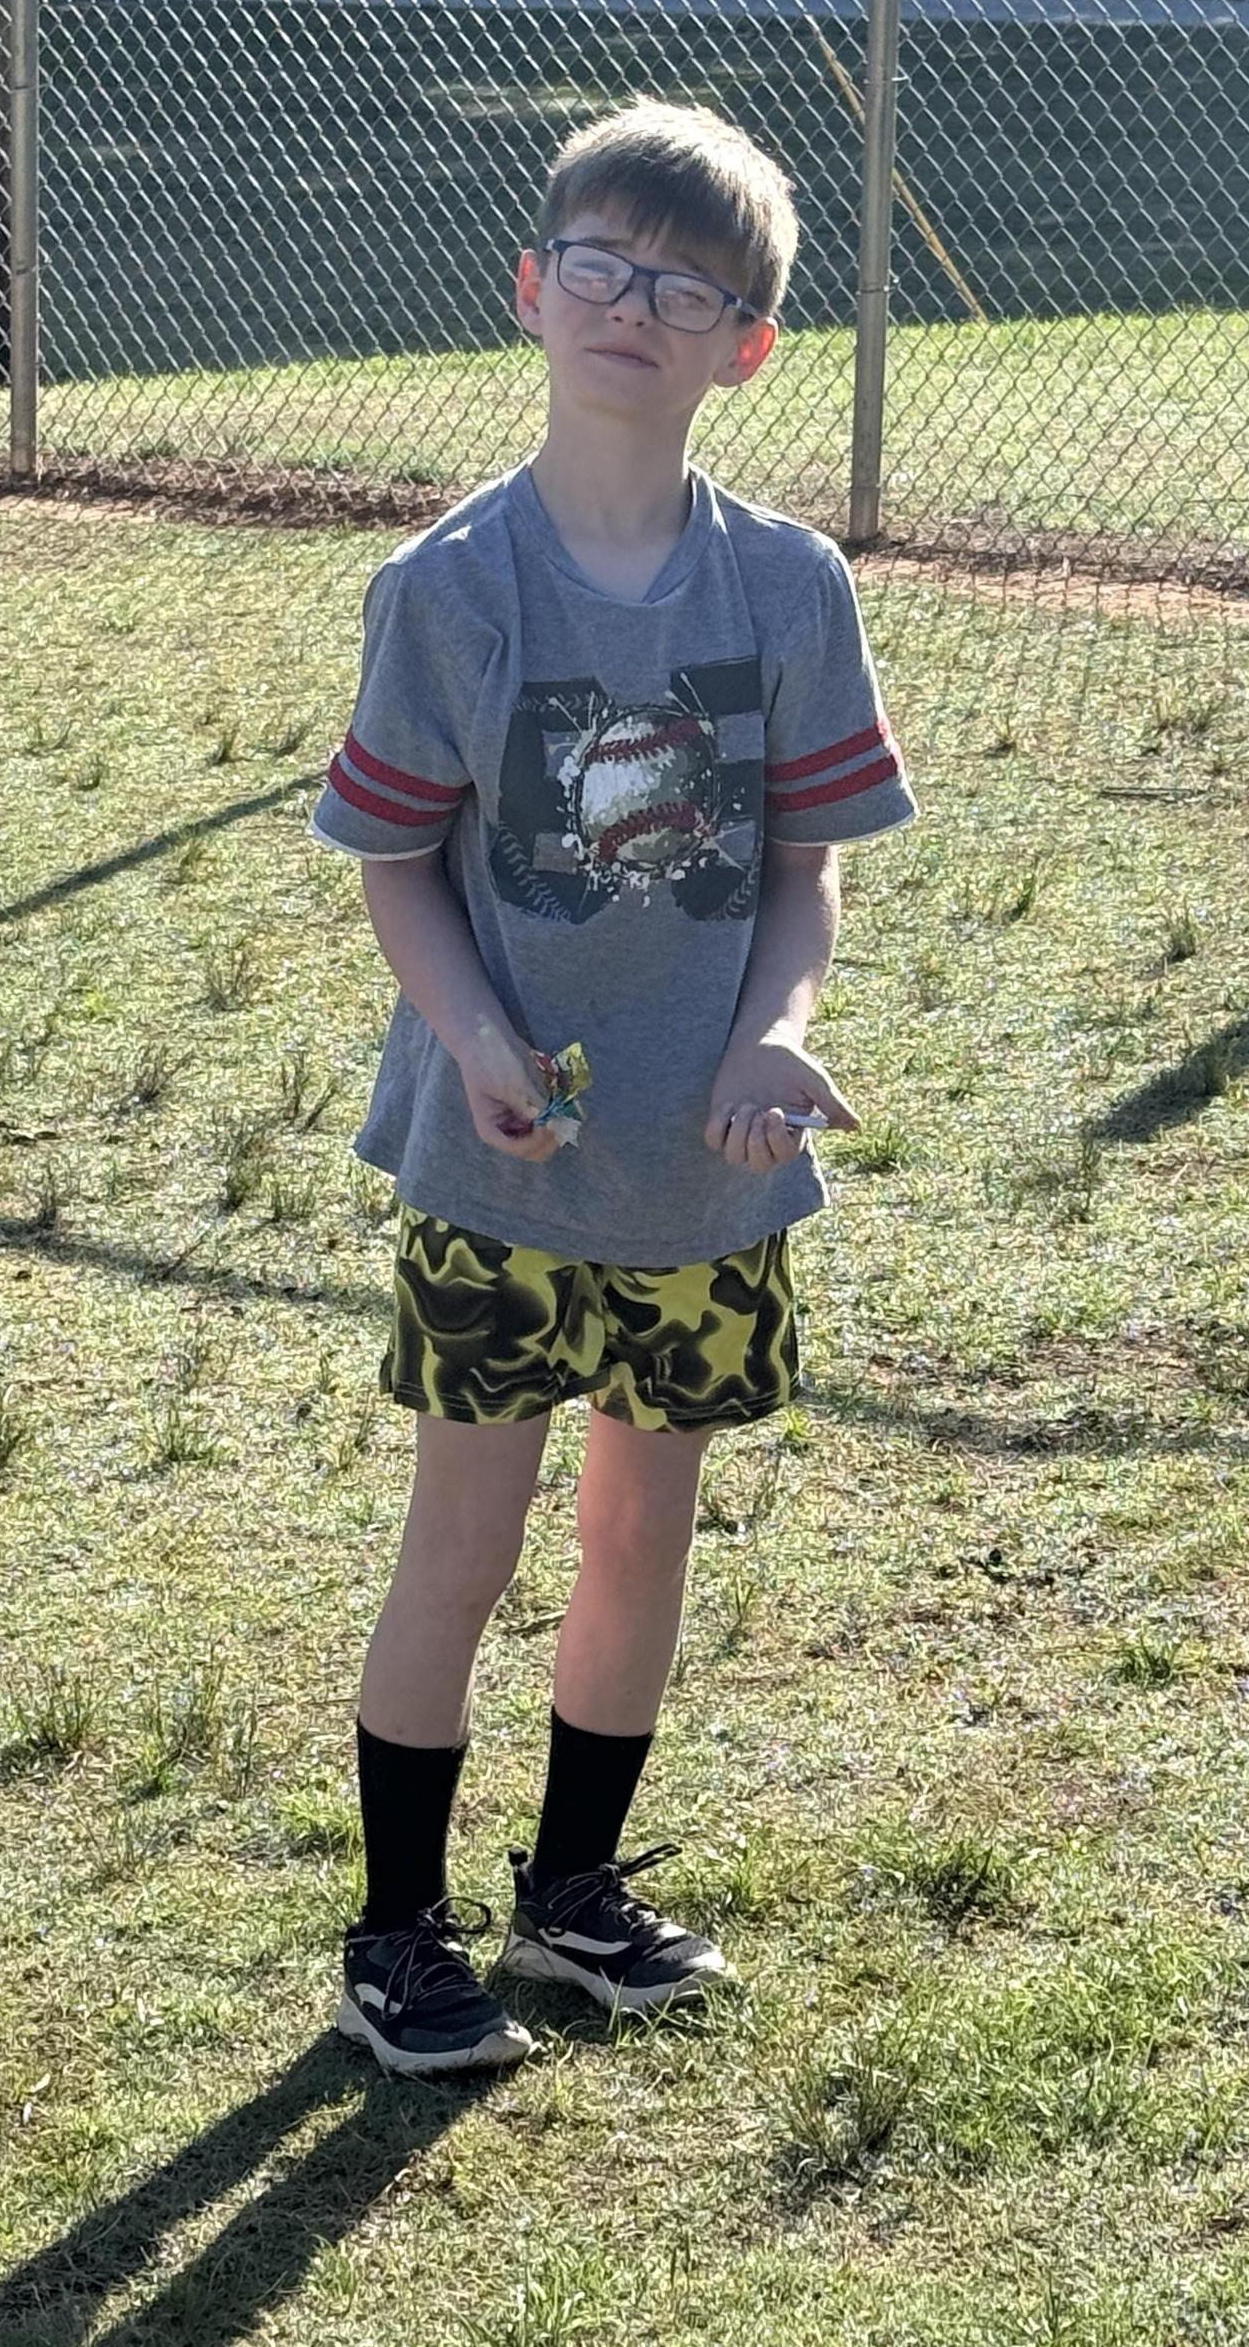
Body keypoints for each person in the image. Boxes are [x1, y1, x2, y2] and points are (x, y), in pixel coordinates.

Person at [309, 100, 918, 2077]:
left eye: (686, 289)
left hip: (703, 1175)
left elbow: (806, 871)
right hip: (502, 1171)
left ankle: (572, 1894)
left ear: (750, 347)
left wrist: (777, 1027)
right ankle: (397, 1936)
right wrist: (477, 1041)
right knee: (466, 1544)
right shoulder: (451, 588)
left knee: (641, 1536)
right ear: (532, 289)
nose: (632, 308)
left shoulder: (791, 590)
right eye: (600, 266)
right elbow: (398, 864)